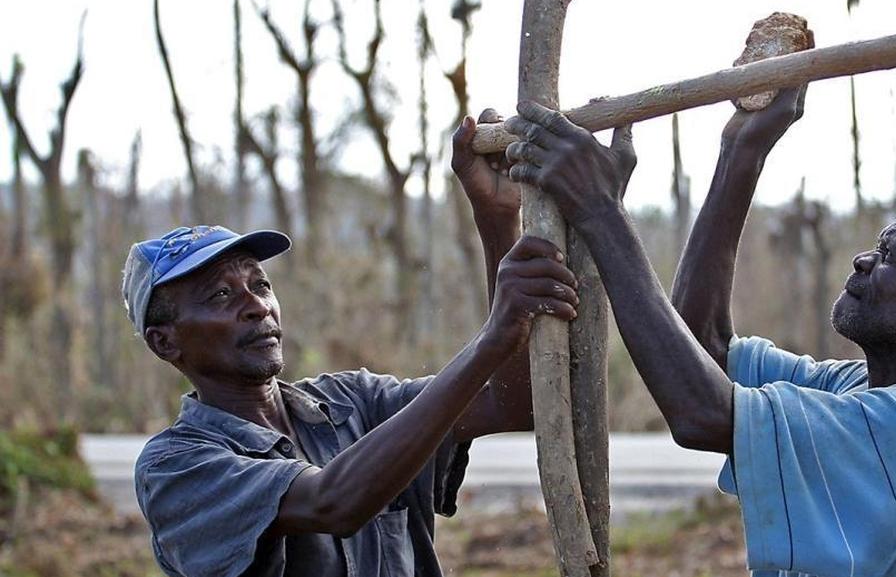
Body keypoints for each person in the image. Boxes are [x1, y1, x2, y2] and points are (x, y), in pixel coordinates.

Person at [503, 86, 896, 577]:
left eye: (892, 255)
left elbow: (701, 414)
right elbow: (704, 350)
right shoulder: (858, 390)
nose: (864, 259)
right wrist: (742, 149)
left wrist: (600, 210)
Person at [122, 110, 572, 577]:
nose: (257, 306)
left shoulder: (352, 402)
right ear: (165, 342)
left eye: (260, 285)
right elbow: (335, 503)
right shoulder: (175, 468)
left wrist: (498, 221)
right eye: (220, 295)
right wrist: (491, 339)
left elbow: (516, 404)